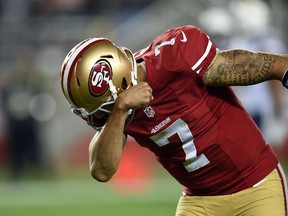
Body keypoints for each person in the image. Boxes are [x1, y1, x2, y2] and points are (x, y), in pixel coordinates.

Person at [60, 25, 288, 216]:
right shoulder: (120, 108)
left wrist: (281, 68)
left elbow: (249, 64)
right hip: (200, 201)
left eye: (103, 106)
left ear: (118, 82)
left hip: (256, 186)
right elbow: (101, 171)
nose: (96, 116)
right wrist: (119, 109)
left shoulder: (174, 57)